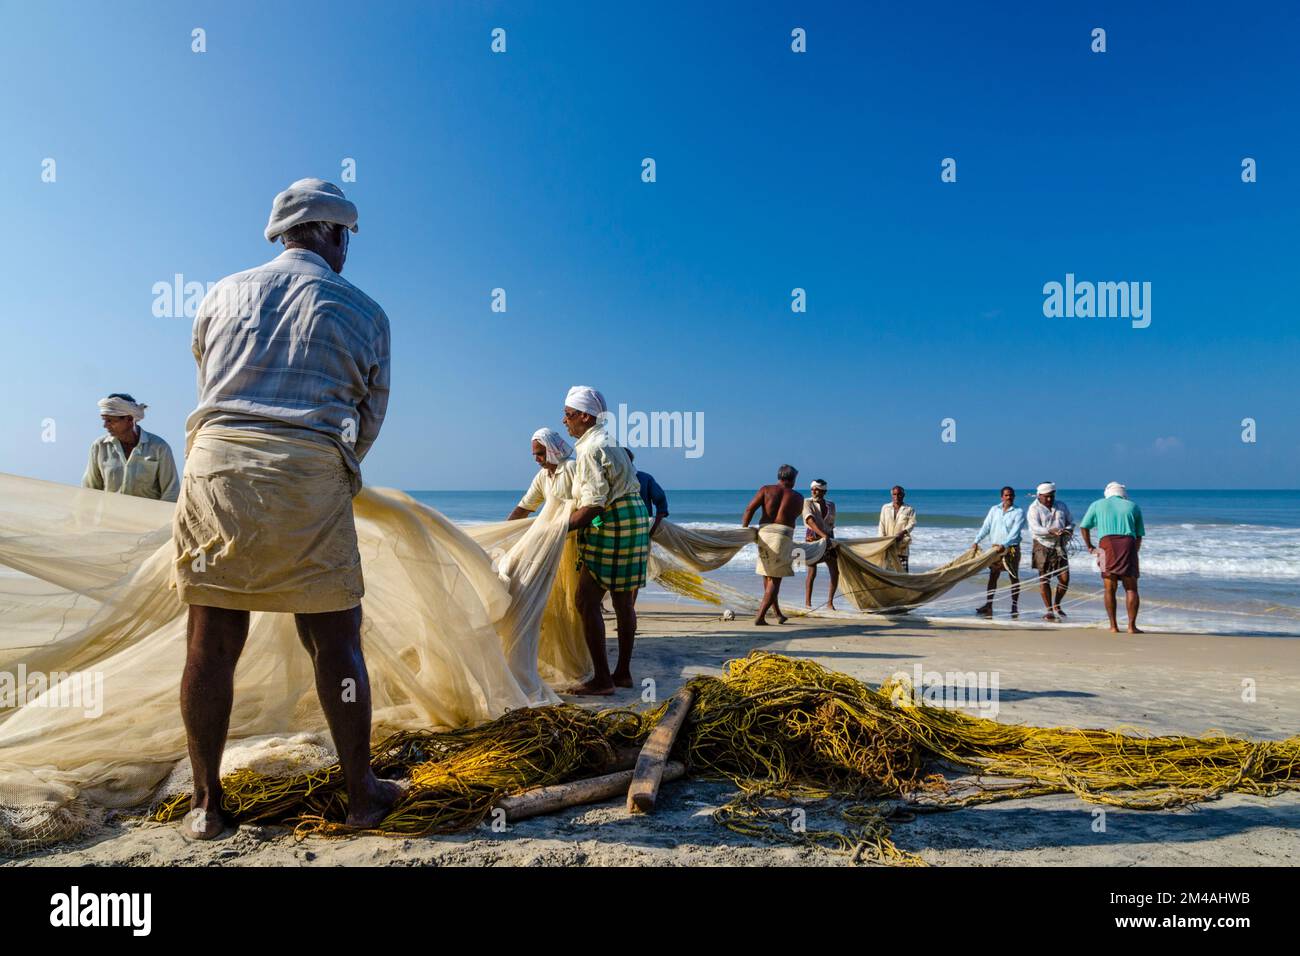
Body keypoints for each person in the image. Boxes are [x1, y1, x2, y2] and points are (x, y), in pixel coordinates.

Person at [171, 178, 399, 839]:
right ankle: (361, 796)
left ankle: (207, 806)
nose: (347, 249)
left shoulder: (220, 292)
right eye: (346, 236)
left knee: (211, 645)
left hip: (217, 466)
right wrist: (331, 472)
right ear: (329, 233)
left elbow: (210, 385)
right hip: (308, 471)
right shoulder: (366, 312)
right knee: (336, 641)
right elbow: (367, 419)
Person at [563, 385, 650, 695]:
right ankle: (622, 673)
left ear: (585, 417)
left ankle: (602, 680)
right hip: (634, 518)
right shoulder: (610, 441)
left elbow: (595, 505)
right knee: (624, 601)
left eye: (569, 414)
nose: (565, 421)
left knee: (586, 600)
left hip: (613, 521)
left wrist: (558, 528)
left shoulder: (589, 449)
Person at [742, 464, 807, 625]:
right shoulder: (798, 497)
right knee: (775, 579)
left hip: (763, 533)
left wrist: (744, 529)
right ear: (793, 479)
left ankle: (778, 614)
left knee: (767, 574)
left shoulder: (766, 489)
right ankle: (760, 616)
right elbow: (794, 516)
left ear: (779, 476)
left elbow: (749, 509)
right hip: (782, 536)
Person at [82, 393, 180, 501]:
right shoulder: (99, 447)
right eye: (104, 420)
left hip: (147, 517)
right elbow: (89, 490)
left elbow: (171, 492)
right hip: (109, 517)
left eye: (110, 420)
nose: (105, 425)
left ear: (129, 420)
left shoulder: (159, 448)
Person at [1079, 482, 1145, 634]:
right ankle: (1131, 626)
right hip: (1128, 544)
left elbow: (1084, 526)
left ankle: (1113, 626)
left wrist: (1090, 546)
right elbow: (1139, 534)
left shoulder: (1097, 504)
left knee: (1109, 588)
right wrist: (1134, 552)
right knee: (1131, 588)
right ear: (1123, 494)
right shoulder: (1133, 506)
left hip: (1104, 545)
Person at [973, 486, 1026, 618]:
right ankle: (989, 605)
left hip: (1011, 548)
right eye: (1006, 495)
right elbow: (986, 526)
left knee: (1013, 577)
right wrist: (976, 541)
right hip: (995, 548)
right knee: (993, 576)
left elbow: (1015, 531)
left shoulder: (1018, 512)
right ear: (1002, 497)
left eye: (1011, 495)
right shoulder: (994, 509)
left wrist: (1005, 544)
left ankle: (1014, 606)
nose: (1009, 497)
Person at [1027, 481, 1074, 622]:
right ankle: (1049, 610)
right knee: (1044, 578)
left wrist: (1068, 529)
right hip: (1042, 544)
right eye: (1046, 496)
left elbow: (1071, 521)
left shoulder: (1061, 505)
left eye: (1051, 496)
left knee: (1065, 579)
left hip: (1060, 544)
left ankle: (1057, 604)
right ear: (1039, 495)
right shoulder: (1033, 508)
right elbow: (1035, 528)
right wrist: (1050, 531)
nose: (1049, 499)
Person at [507, 428, 575, 520]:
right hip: (558, 529)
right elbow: (524, 508)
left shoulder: (571, 466)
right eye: (535, 455)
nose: (536, 459)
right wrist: (503, 529)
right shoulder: (543, 475)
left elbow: (589, 502)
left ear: (552, 450)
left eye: (540, 454)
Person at [802, 479, 838, 610]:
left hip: (829, 539)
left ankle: (830, 603)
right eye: (812, 489)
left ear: (824, 491)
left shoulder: (831, 505)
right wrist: (823, 536)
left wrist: (830, 539)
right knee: (811, 572)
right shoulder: (807, 502)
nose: (813, 491)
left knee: (835, 572)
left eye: (816, 489)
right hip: (812, 538)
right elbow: (810, 520)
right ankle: (808, 603)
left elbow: (830, 524)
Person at [627, 450, 669, 539]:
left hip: (642, 529)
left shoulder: (645, 479)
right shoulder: (611, 479)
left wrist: (653, 528)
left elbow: (661, 502)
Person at [877, 485, 916, 572]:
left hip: (901, 547)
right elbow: (881, 525)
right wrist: (882, 541)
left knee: (903, 574)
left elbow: (912, 523)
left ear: (903, 495)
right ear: (892, 495)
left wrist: (903, 532)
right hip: (887, 546)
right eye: (894, 494)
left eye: (899, 494)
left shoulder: (909, 509)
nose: (897, 497)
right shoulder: (885, 508)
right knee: (887, 573)